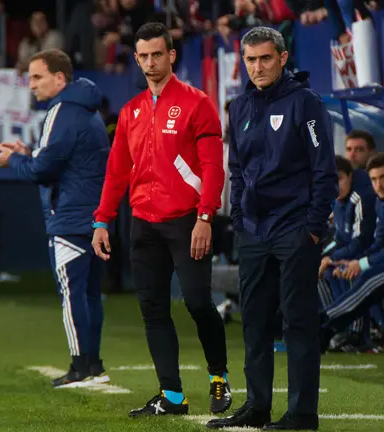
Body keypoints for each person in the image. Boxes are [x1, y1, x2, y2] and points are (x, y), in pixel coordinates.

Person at [91, 22, 232, 417]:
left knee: (198, 302)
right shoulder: (131, 111)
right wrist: (102, 220)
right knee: (152, 310)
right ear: (136, 59)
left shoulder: (196, 103)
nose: (151, 62)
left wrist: (206, 215)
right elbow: (117, 172)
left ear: (171, 55)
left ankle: (218, 376)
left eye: (158, 54)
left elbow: (212, 166)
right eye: (143, 56)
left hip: (187, 221)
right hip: (144, 224)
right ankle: (172, 397)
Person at [207, 27, 337, 431]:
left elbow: (324, 172)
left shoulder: (305, 102)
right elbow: (238, 169)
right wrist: (243, 220)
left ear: (282, 58)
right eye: (250, 60)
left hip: (296, 230)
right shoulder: (239, 106)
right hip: (254, 232)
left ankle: (302, 414)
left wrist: (312, 229)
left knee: (297, 322)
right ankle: (257, 406)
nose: (258, 67)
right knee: (255, 322)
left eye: (265, 58)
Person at [0, 48, 110, 387]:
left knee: (72, 294)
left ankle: (80, 367)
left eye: (37, 77)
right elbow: (62, 159)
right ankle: (94, 364)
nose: (31, 86)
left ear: (59, 77)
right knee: (89, 294)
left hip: (69, 216)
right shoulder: (87, 110)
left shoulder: (62, 110)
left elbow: (42, 171)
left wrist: (13, 161)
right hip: (94, 216)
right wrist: (28, 153)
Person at [323, 155, 384, 352]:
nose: (379, 184)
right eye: (374, 179)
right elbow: (380, 241)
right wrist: (359, 261)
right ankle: (339, 326)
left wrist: (363, 263)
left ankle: (328, 324)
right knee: (358, 269)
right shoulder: (381, 201)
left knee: (370, 275)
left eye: (383, 178)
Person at [317, 155, 377, 352]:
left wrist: (331, 259)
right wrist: (322, 258)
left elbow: (361, 241)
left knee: (345, 271)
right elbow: (341, 239)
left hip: (364, 255)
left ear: (350, 177)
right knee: (320, 273)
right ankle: (337, 325)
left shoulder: (358, 199)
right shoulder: (336, 201)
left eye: (339, 179)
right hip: (348, 253)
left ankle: (357, 332)